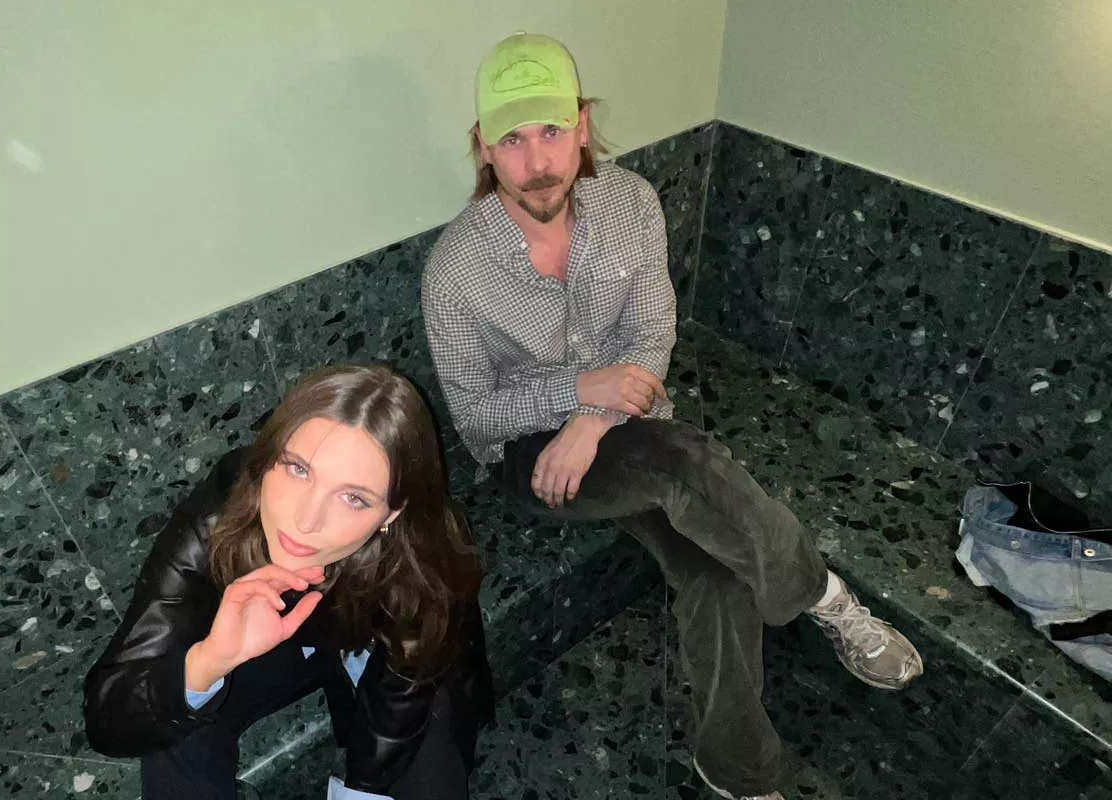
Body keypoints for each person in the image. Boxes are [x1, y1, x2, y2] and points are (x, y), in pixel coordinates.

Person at [421, 32, 923, 800]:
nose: (538, 160)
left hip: (626, 422)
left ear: (582, 124)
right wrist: (579, 391)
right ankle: (821, 594)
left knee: (715, 570)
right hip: (533, 456)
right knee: (683, 458)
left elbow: (653, 335)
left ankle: (738, 771)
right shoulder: (456, 270)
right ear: (484, 148)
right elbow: (476, 418)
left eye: (551, 129)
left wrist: (594, 415)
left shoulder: (631, 204)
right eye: (512, 140)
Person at [83, 365, 493, 800]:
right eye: (298, 469)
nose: (306, 520)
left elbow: (403, 699)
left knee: (426, 739)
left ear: (391, 514)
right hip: (261, 640)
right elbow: (109, 721)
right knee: (179, 707)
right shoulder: (217, 518)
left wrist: (363, 791)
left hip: (370, 645)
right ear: (267, 458)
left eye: (353, 498)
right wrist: (211, 659)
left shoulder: (419, 551)